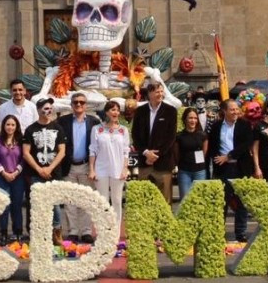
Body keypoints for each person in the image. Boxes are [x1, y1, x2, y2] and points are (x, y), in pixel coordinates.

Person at [22, 97, 68, 244]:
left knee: (55, 204)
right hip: (35, 173)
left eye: (50, 108)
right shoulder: (30, 129)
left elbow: (62, 151)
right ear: (38, 110)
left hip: (54, 172)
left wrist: (50, 168)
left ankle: (57, 231)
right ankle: (39, 233)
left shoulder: (58, 128)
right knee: (37, 204)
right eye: (45, 108)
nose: (49, 111)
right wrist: (39, 169)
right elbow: (26, 152)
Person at [58, 91, 100, 243]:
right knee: (70, 200)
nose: (78, 105)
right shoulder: (62, 121)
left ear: (86, 105)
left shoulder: (94, 122)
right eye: (75, 102)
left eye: (81, 102)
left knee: (86, 199)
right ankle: (73, 231)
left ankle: (86, 231)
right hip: (68, 166)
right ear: (71, 105)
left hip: (86, 165)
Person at [209, 100, 254, 243]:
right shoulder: (216, 126)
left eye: (236, 109)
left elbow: (246, 144)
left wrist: (228, 156)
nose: (235, 112)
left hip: (241, 166)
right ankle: (218, 232)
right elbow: (212, 146)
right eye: (232, 109)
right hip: (223, 168)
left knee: (242, 201)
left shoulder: (244, 125)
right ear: (224, 111)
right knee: (222, 201)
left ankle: (240, 233)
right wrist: (217, 160)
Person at [131, 81, 178, 205]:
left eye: (162, 91)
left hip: (163, 163)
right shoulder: (140, 111)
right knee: (144, 200)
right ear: (149, 93)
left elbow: (171, 137)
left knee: (165, 201)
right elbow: (135, 135)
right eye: (157, 92)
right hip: (144, 162)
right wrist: (146, 153)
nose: (160, 94)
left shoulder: (171, 111)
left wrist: (156, 155)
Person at [89, 100, 130, 233]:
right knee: (103, 201)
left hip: (118, 169)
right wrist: (92, 169)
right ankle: (103, 231)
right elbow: (93, 150)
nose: (115, 112)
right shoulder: (97, 129)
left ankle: (115, 232)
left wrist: (125, 168)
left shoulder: (123, 130)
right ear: (106, 112)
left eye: (117, 110)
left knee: (117, 201)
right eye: (112, 110)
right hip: (101, 169)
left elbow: (126, 151)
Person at [0, 115, 26, 244]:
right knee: (4, 206)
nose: (10, 127)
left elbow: (24, 158)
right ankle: (4, 233)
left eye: (13, 125)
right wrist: (4, 173)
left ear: (16, 127)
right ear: (3, 126)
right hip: (2, 177)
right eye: (8, 124)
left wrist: (16, 172)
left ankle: (18, 232)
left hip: (18, 177)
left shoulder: (21, 141)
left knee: (17, 206)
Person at [175, 107, 208, 202]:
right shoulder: (179, 136)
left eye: (195, 118)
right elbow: (176, 154)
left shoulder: (203, 135)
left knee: (199, 200)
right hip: (184, 171)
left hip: (200, 171)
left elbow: (204, 152)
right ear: (185, 119)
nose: (193, 120)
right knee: (185, 199)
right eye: (190, 118)